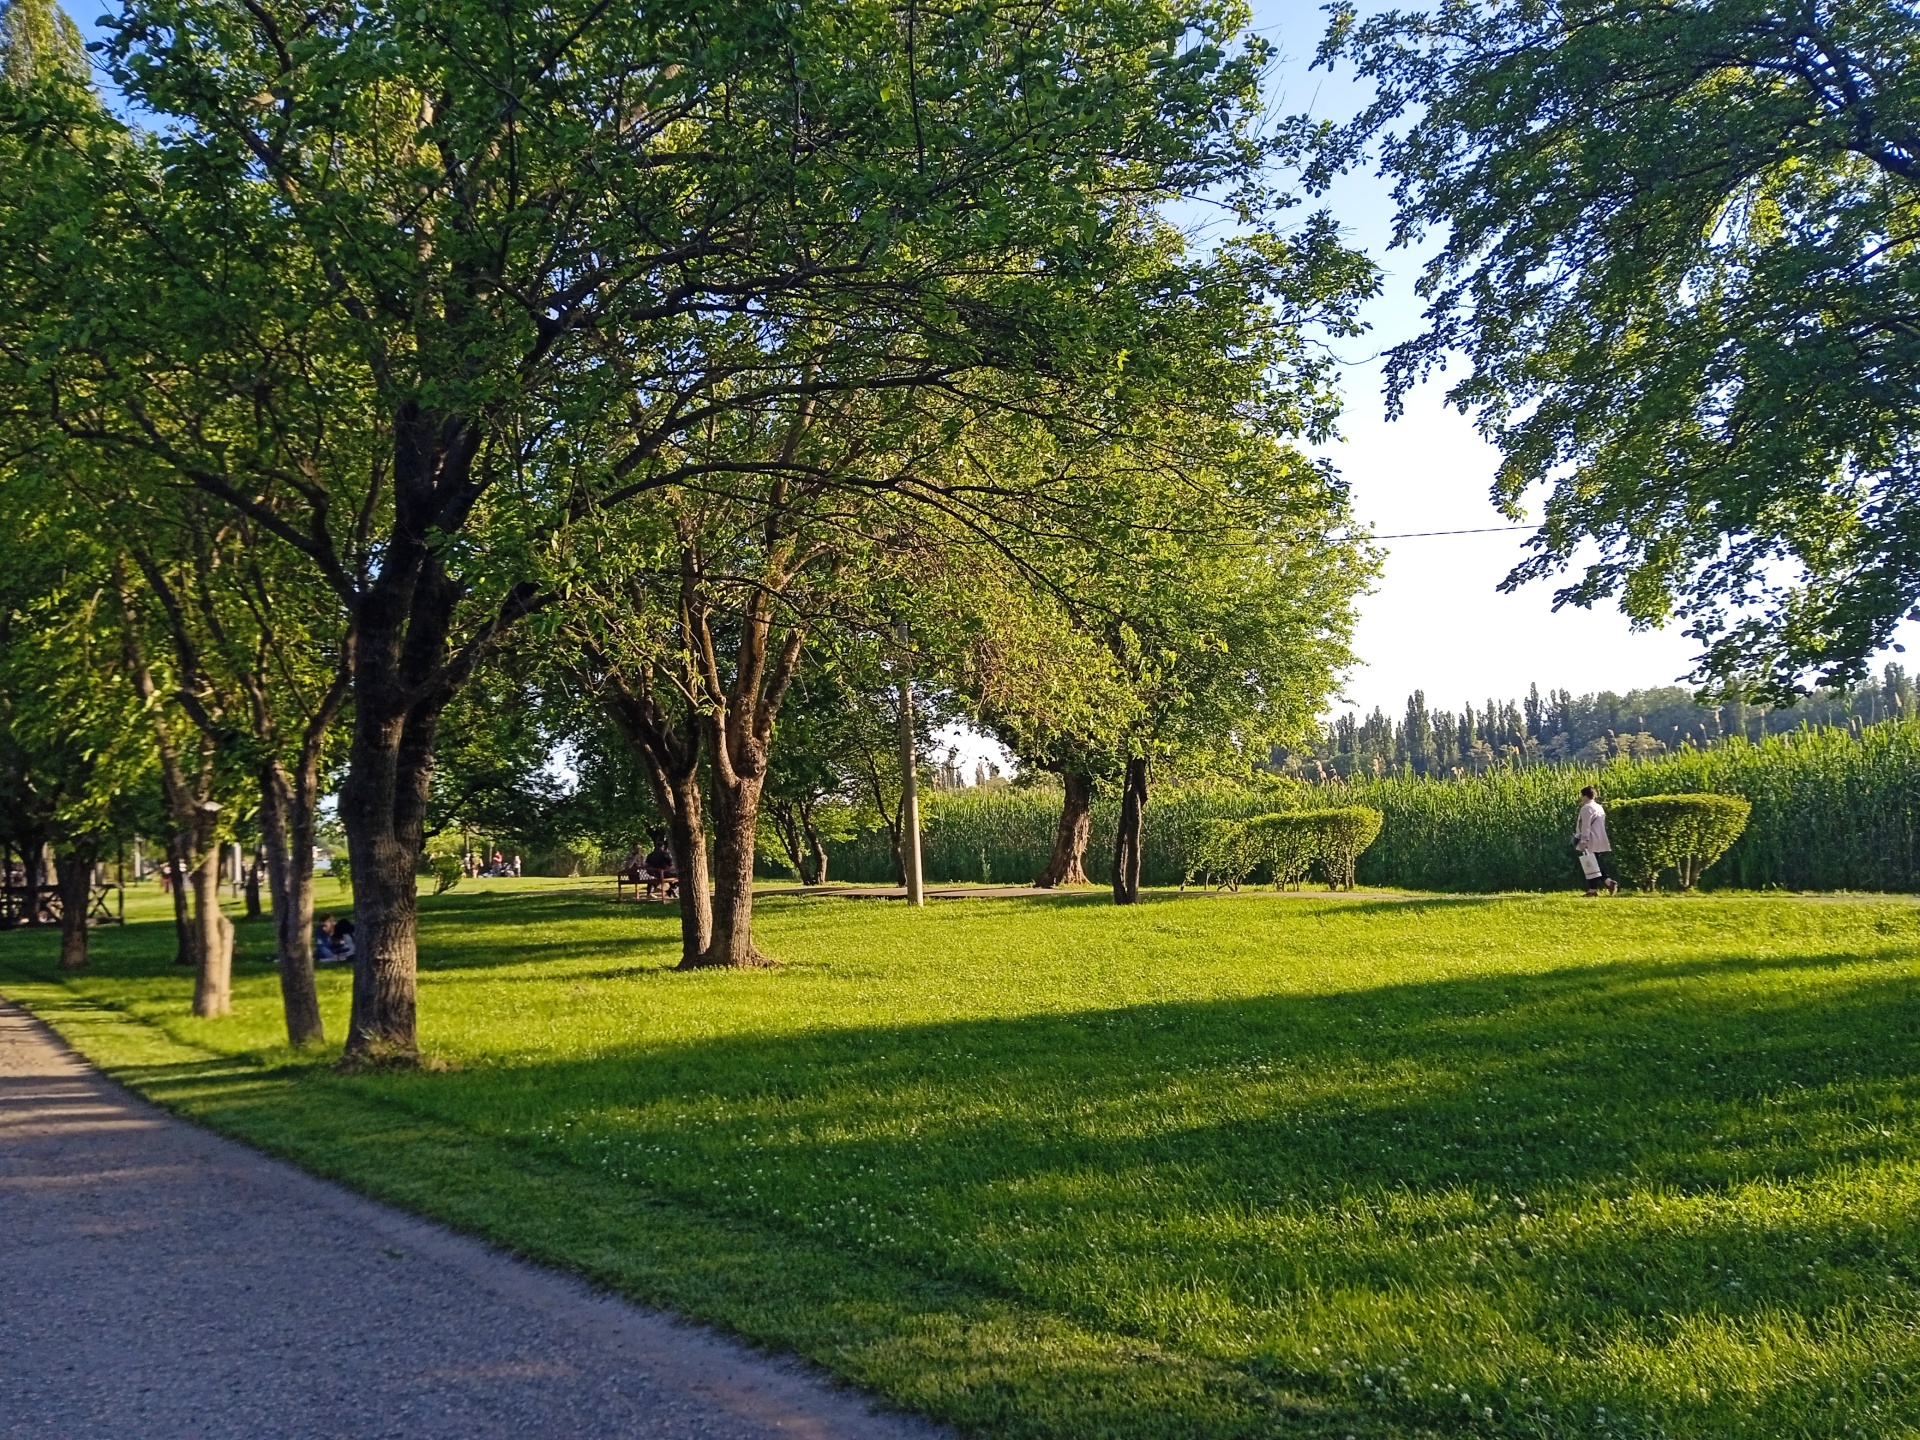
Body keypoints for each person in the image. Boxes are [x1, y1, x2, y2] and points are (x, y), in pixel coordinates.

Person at [1574, 785, 1619, 897]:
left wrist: (1583, 840)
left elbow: (1585, 826)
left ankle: (1595, 889)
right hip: (1600, 838)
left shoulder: (1586, 808)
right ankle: (1602, 885)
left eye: (1582, 796)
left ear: (1585, 796)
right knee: (1595, 864)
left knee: (1590, 864)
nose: (1581, 798)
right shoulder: (1599, 807)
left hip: (1590, 839)